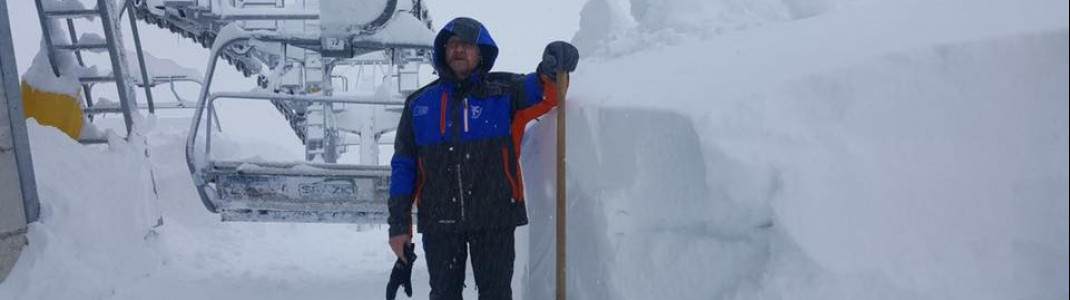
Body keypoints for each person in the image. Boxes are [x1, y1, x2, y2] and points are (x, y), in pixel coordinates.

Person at [385, 17, 579, 300]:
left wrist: (551, 68)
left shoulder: (505, 93)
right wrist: (399, 226)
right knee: (443, 295)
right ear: (443, 51)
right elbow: (404, 167)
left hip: (495, 217)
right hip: (440, 221)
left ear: (481, 52)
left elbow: (545, 92)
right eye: (452, 44)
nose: (459, 50)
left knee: (496, 294)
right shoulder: (419, 105)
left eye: (466, 44)